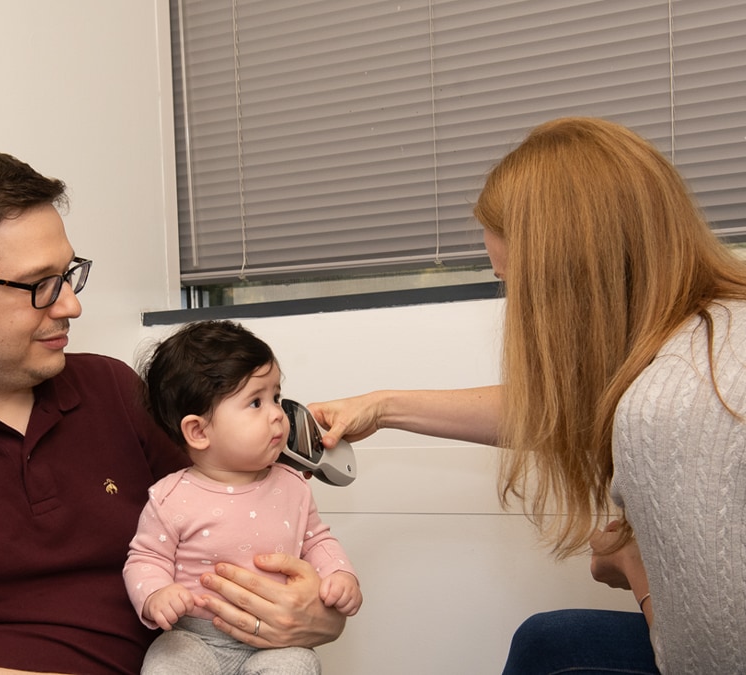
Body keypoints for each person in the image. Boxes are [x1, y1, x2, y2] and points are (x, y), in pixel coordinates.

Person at [0, 146, 348, 674]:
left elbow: (238, 520)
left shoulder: (112, 389)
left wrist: (313, 615)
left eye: (69, 274)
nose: (71, 305)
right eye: (39, 286)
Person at [309, 117, 746, 674]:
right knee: (550, 640)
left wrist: (635, 568)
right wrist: (385, 406)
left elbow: (711, 662)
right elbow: (572, 408)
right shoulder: (714, 331)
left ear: (570, 279)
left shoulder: (674, 407)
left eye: (517, 285)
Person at [125, 320, 361, 674]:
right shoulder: (170, 496)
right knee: (165, 666)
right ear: (199, 431)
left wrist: (341, 575)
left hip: (275, 640)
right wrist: (155, 595)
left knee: (299, 664)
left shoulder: (293, 484)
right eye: (255, 402)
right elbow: (144, 557)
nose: (278, 414)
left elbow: (316, 539)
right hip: (194, 637)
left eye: (276, 396)